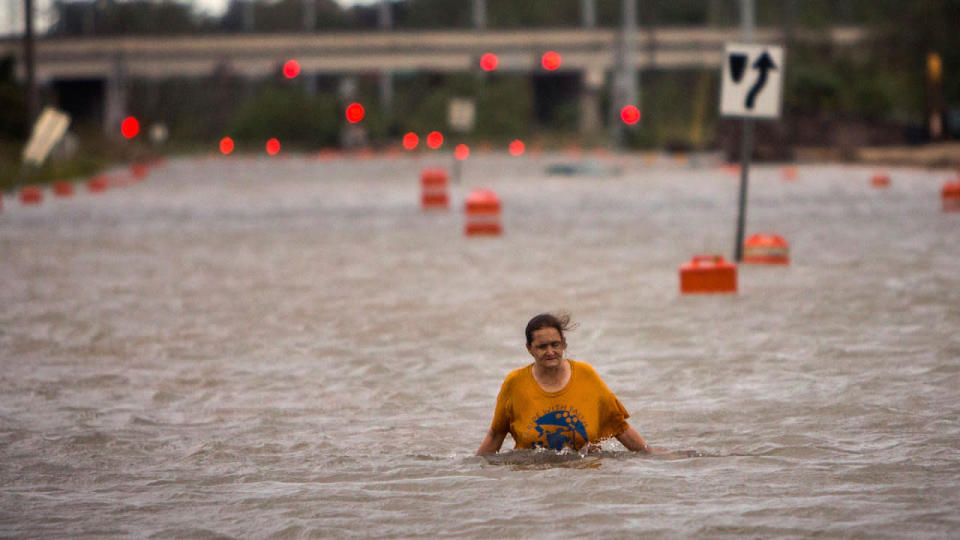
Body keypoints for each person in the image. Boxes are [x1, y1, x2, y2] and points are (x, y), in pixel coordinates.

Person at [476, 312, 656, 455]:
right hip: (532, 482)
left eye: (555, 344)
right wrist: (474, 471)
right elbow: (496, 435)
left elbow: (619, 427)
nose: (550, 352)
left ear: (564, 344)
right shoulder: (514, 383)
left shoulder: (586, 374)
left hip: (584, 478)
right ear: (529, 349)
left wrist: (652, 455)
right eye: (542, 346)